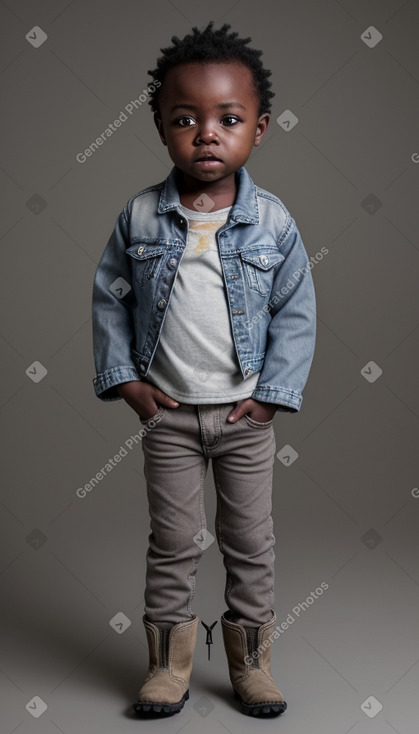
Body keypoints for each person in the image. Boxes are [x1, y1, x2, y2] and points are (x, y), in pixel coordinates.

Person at [91, 20, 316, 718]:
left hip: (244, 418)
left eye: (228, 119)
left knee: (251, 544)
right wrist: (128, 383)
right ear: (161, 127)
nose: (206, 134)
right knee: (173, 543)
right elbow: (110, 299)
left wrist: (273, 396)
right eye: (185, 119)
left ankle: (251, 666)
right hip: (171, 417)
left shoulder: (273, 225)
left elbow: (295, 313)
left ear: (260, 128)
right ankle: (168, 667)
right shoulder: (139, 219)